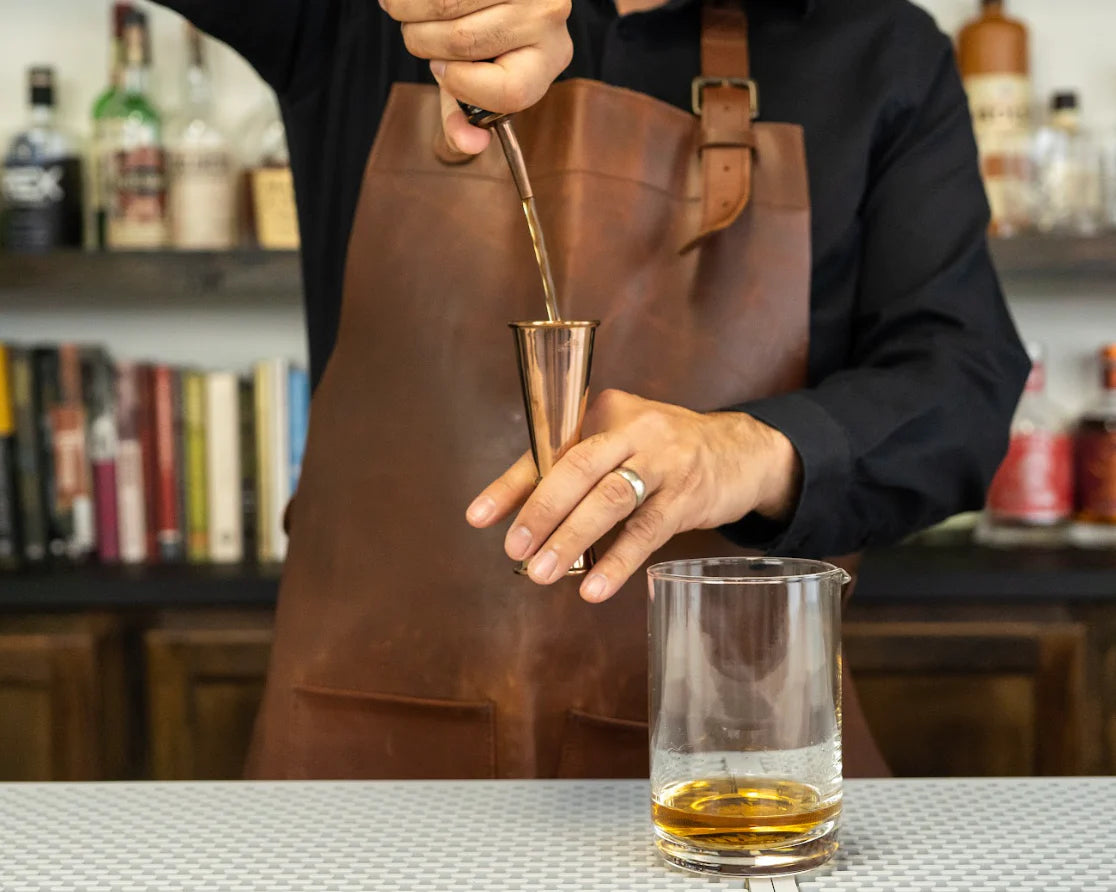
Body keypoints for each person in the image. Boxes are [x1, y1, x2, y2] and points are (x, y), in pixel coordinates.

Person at [158, 0, 1030, 778]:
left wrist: (742, 450)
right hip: (367, 761)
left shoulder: (875, 48)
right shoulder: (351, 20)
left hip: (728, 770)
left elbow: (960, 382)